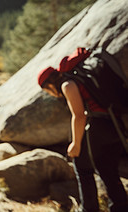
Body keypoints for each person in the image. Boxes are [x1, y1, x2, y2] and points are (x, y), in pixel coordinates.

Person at [37, 66, 128, 212]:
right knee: (108, 170)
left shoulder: (68, 84)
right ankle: (121, 207)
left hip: (97, 127)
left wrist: (76, 143)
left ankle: (88, 209)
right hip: (113, 124)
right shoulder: (80, 79)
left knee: (82, 168)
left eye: (47, 90)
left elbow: (79, 115)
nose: (51, 94)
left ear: (49, 84)